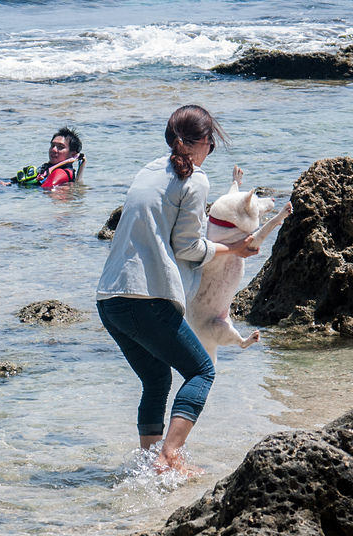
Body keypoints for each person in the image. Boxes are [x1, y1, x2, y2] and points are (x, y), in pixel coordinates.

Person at [95, 105, 259, 475]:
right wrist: (233, 248)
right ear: (201, 143)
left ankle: (150, 464)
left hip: (109, 299)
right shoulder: (196, 180)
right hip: (145, 298)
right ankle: (170, 456)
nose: (210, 153)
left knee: (156, 378)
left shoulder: (148, 170)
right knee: (201, 371)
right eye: (211, 144)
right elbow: (189, 247)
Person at [5, 127, 85, 188]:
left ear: (73, 154)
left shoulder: (61, 172)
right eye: (52, 145)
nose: (53, 149)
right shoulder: (47, 167)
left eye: (60, 147)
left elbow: (46, 189)